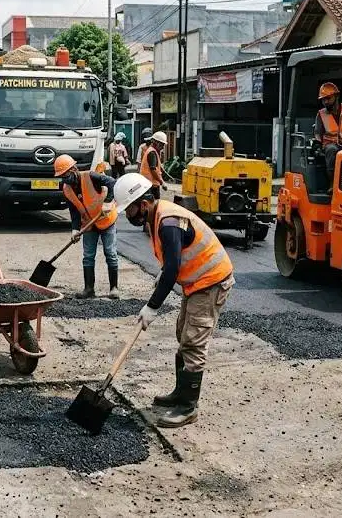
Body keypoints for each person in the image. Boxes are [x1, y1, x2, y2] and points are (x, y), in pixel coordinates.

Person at [114, 172, 234, 429]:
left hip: (211, 282)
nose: (129, 215)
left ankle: (188, 408)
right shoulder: (158, 217)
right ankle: (180, 394)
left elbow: (172, 271)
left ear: (144, 203)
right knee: (183, 334)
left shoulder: (168, 222)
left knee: (193, 342)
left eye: (130, 209)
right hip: (196, 283)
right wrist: (165, 270)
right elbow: (172, 261)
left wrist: (151, 307)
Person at [53, 154, 120, 299]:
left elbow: (112, 182)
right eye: (62, 177)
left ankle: (114, 288)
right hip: (89, 224)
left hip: (106, 219)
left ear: (74, 169)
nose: (65, 179)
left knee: (111, 254)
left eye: (66, 175)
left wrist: (108, 202)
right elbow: (74, 210)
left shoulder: (91, 176)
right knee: (88, 256)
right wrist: (75, 229)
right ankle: (89, 289)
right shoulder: (66, 189)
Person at [314, 82, 342, 185]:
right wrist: (317, 143)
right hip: (331, 144)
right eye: (323, 100)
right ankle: (333, 183)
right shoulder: (321, 114)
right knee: (332, 150)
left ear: (336, 96)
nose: (326, 102)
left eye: (328, 98)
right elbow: (317, 132)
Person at [139, 131, 167, 199]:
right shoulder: (152, 153)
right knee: (154, 205)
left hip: (148, 184)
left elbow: (156, 167)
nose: (163, 147)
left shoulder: (152, 151)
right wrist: (162, 182)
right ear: (156, 142)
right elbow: (153, 169)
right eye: (162, 144)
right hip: (151, 184)